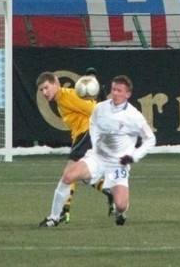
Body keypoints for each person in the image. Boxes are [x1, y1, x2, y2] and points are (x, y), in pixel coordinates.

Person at [39, 75, 156, 227]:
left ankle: (118, 210)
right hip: (96, 155)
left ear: (128, 94)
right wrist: (95, 142)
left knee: (121, 204)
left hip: (117, 162)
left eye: (46, 87)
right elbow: (94, 118)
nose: (115, 93)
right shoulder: (101, 107)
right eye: (113, 89)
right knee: (68, 176)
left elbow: (150, 139)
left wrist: (133, 156)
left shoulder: (134, 116)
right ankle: (55, 216)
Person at [36, 71, 113, 224]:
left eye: (46, 88)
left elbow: (93, 111)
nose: (44, 92)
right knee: (83, 177)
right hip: (83, 136)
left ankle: (56, 216)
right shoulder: (61, 99)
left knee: (68, 176)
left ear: (56, 83)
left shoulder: (67, 96)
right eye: (41, 90)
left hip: (87, 135)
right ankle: (112, 192)